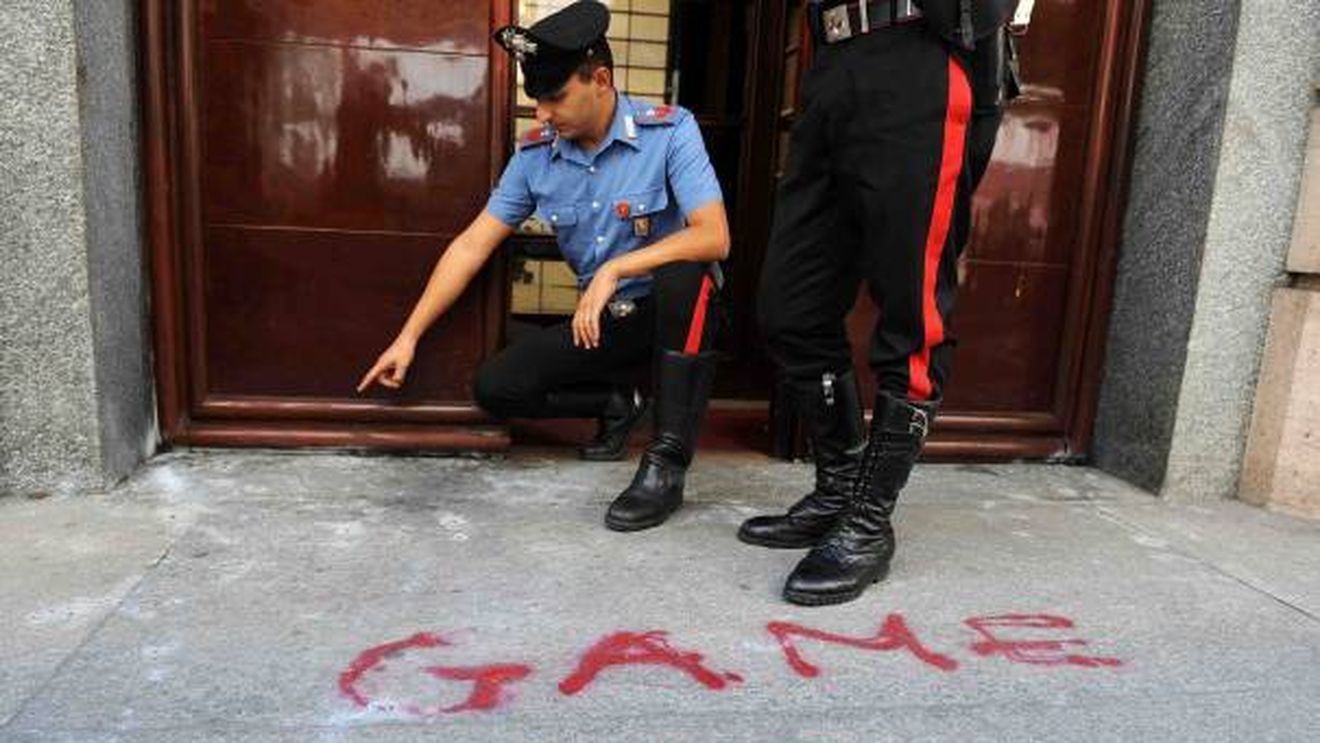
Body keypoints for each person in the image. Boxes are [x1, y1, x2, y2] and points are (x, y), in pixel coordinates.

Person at [357, 0, 730, 532]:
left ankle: (666, 466)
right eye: (536, 99)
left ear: (600, 79)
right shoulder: (536, 158)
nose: (543, 114)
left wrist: (614, 269)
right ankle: (617, 400)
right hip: (602, 324)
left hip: (668, 315)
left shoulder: (670, 132)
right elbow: (471, 245)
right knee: (497, 386)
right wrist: (408, 336)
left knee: (689, 276)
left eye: (555, 98)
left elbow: (715, 237)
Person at [739, 0, 1020, 606]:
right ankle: (839, 489)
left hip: (921, 51)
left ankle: (867, 523)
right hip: (835, 60)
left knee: (913, 318)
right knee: (790, 306)